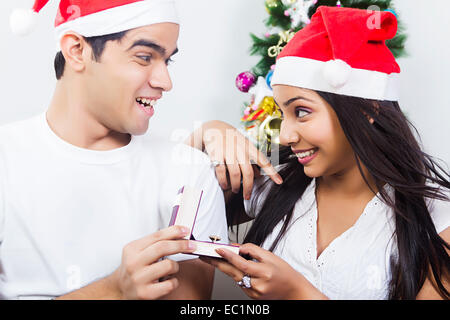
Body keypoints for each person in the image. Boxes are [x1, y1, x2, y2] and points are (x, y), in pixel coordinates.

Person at [189, 6, 450, 299]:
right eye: (282, 113)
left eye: (301, 111)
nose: (286, 136)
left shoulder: (438, 220)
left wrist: (297, 293)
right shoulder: (276, 184)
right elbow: (174, 210)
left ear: (368, 110)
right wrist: (208, 132)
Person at [0, 0, 230, 300]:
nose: (165, 82)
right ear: (76, 50)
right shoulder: (7, 160)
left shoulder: (189, 172)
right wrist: (112, 291)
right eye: (144, 57)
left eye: (167, 61)